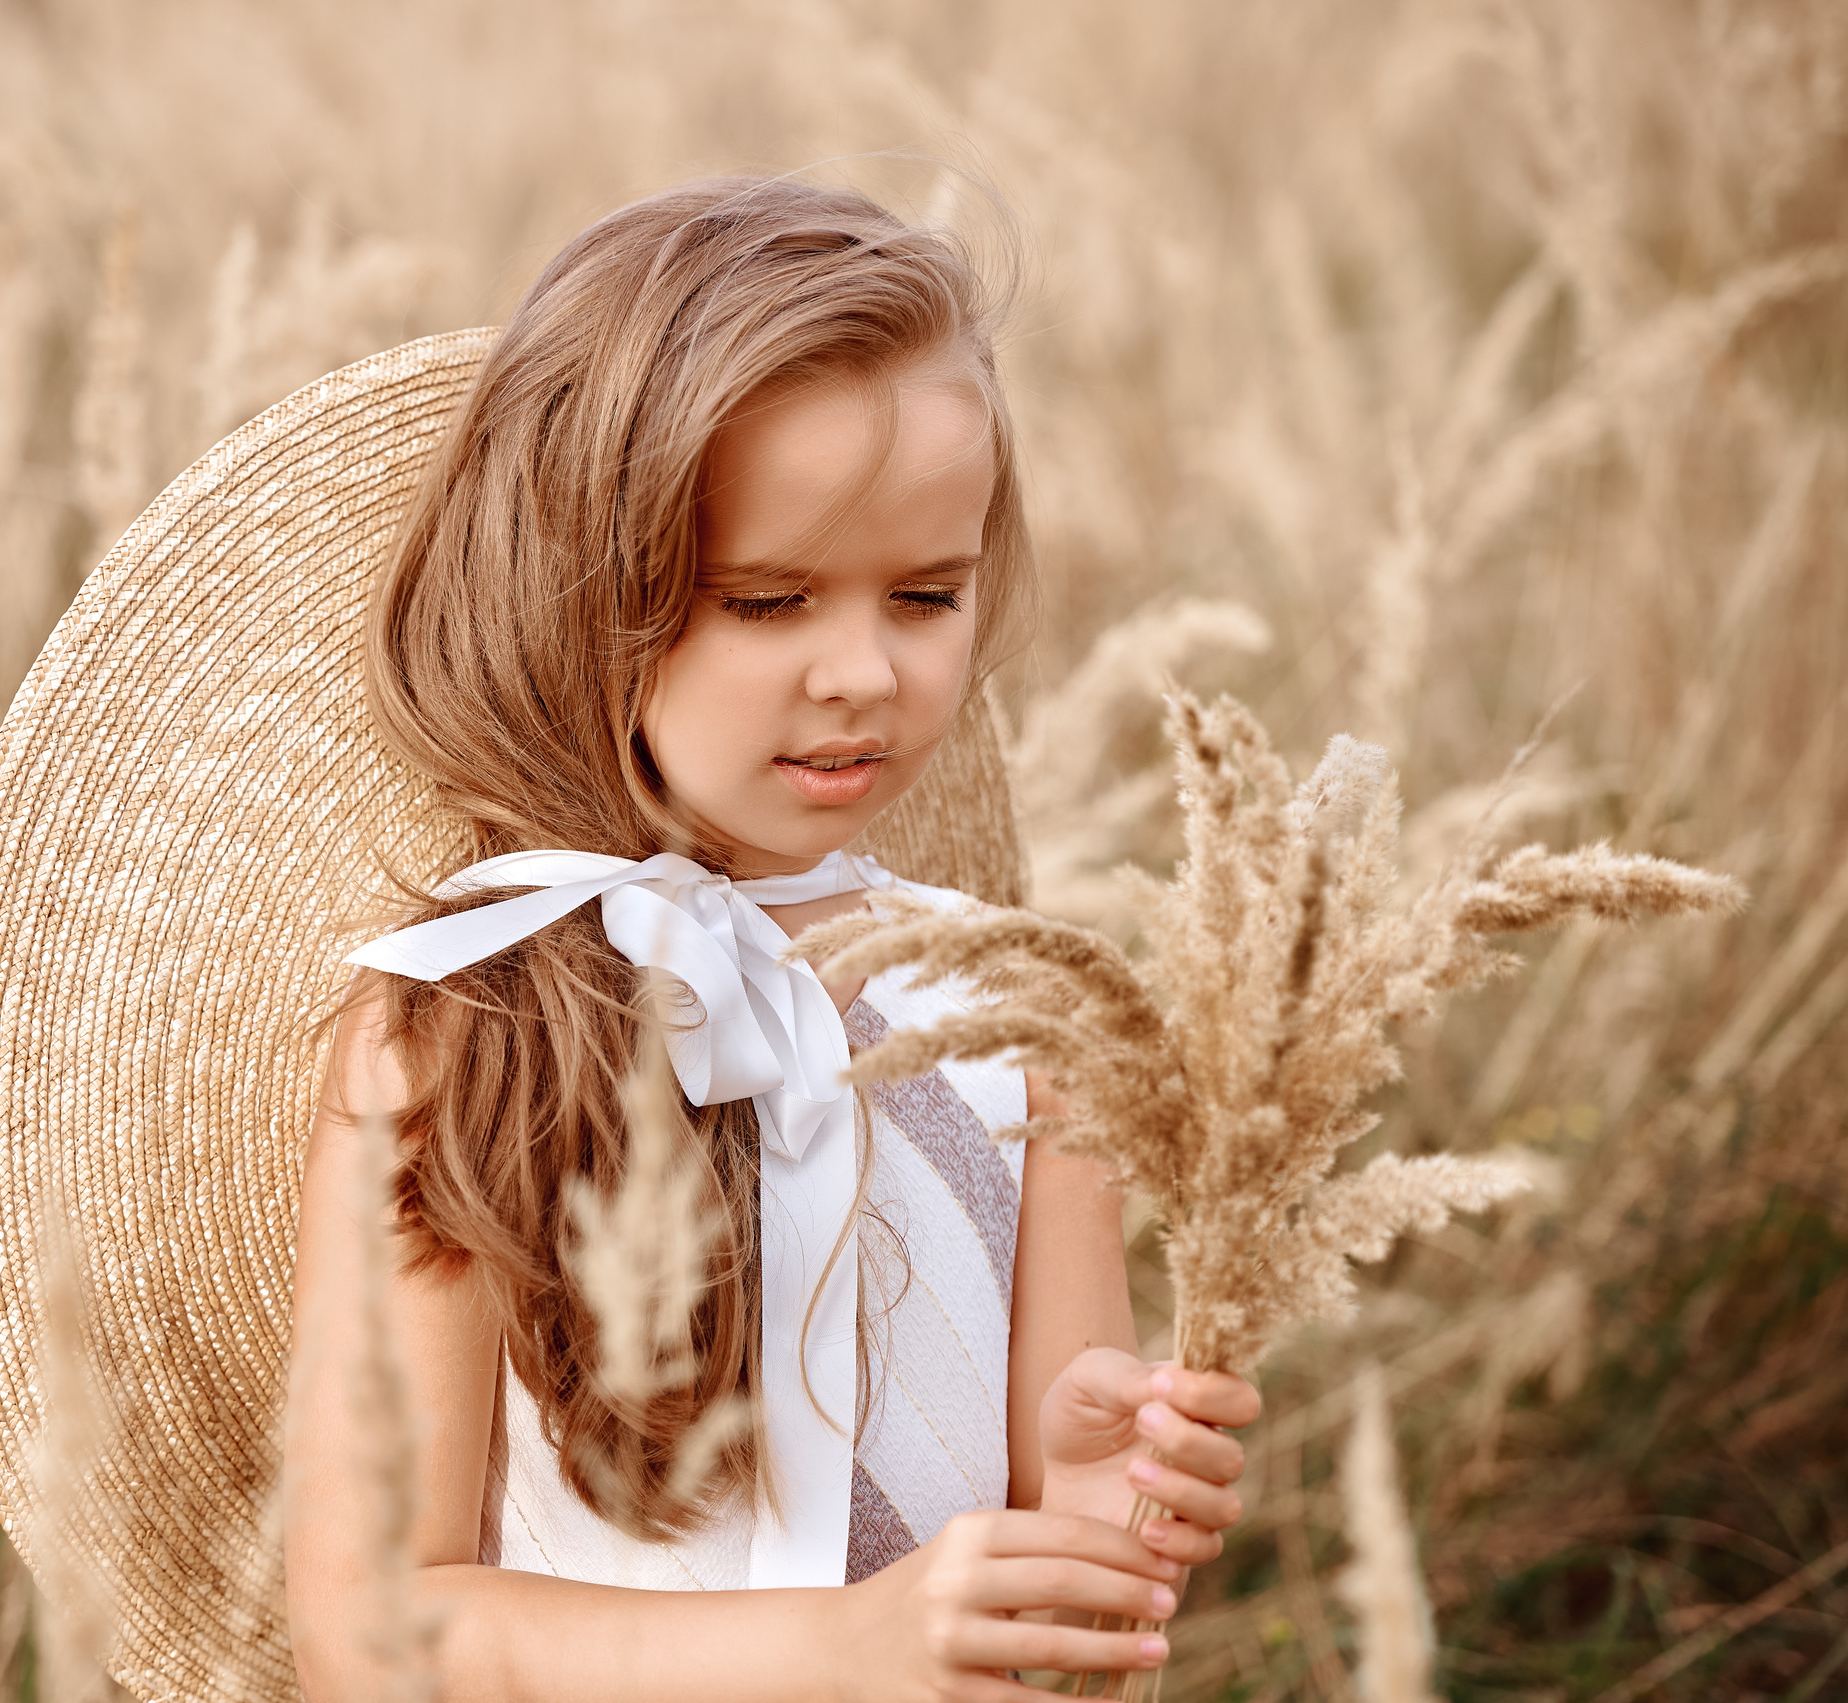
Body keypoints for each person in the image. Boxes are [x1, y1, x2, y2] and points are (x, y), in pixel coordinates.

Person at [281, 176, 1259, 1703]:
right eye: (765, 600)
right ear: (580, 591)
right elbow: (365, 1634)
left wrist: (1092, 1505)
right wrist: (838, 1650)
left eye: (926, 594)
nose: (863, 672)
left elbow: (1066, 1643)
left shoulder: (1026, 1023)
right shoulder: (461, 1026)